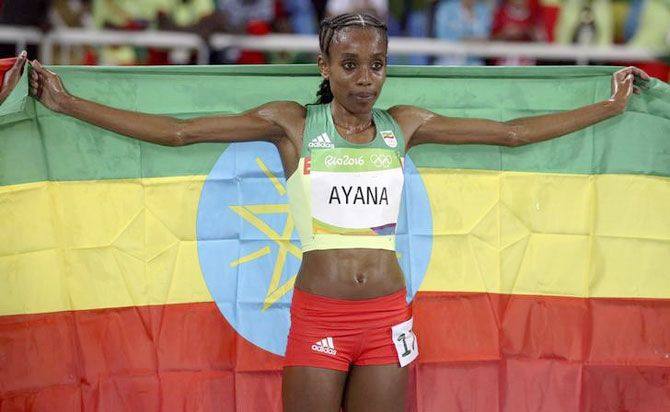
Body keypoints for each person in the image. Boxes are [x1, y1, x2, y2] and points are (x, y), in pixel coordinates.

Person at [24, 13, 648, 412]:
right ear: (324, 67)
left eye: (376, 64)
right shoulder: (294, 125)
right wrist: (69, 104)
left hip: (387, 321)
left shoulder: (405, 126)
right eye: (350, 64)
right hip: (319, 318)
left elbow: (512, 134)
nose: (366, 78)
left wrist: (608, 109)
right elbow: (178, 132)